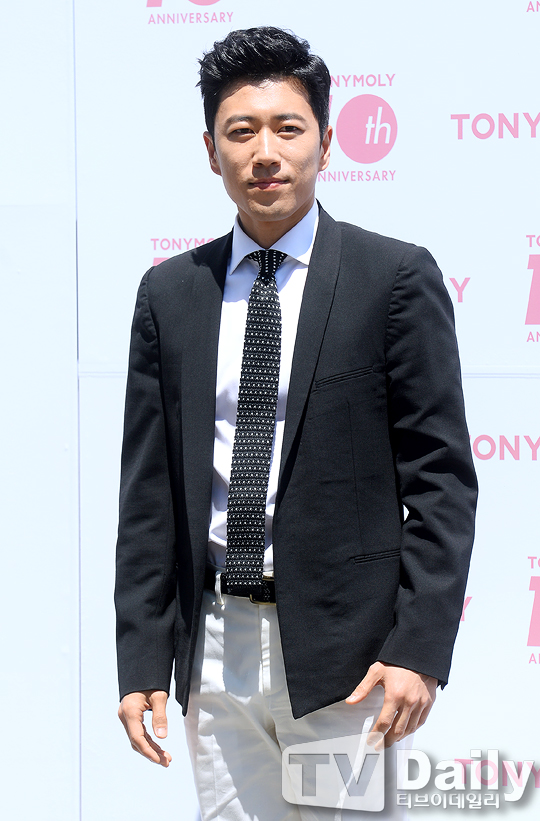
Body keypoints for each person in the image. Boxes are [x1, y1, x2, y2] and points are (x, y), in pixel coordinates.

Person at [115, 26, 477, 820]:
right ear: (211, 151)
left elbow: (442, 481)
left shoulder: (393, 278)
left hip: (350, 659)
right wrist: (142, 657)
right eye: (241, 132)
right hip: (215, 653)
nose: (265, 152)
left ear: (327, 141)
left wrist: (418, 649)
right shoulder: (170, 294)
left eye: (288, 127)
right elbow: (149, 496)